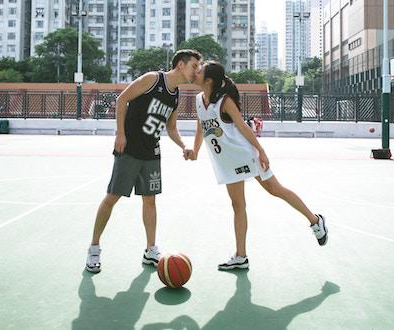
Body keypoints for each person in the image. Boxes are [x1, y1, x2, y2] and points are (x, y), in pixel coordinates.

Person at [189, 61, 328, 271]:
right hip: (227, 161)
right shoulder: (199, 100)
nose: (195, 72)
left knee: (275, 189)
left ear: (208, 80)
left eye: (199, 71)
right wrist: (195, 150)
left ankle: (315, 220)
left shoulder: (224, 101)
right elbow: (201, 127)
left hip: (245, 154)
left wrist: (261, 150)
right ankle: (241, 256)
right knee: (237, 205)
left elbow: (243, 126)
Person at [85, 49, 202, 273]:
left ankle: (150, 249)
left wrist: (184, 146)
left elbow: (171, 127)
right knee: (112, 197)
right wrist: (120, 133)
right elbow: (122, 100)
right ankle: (94, 247)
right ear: (180, 65)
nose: (196, 70)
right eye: (194, 65)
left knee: (150, 200)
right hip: (129, 148)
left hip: (151, 152)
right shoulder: (152, 79)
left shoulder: (175, 94)